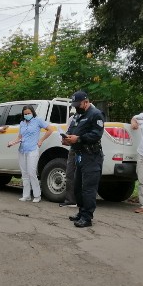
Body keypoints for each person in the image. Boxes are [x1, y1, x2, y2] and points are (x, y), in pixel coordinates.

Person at [61, 91, 105, 228]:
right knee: (77, 187)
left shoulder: (96, 114)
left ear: (86, 102)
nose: (76, 107)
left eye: (78, 104)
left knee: (88, 188)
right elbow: (71, 130)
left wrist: (78, 139)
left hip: (91, 156)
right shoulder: (77, 115)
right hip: (79, 155)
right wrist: (67, 139)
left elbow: (96, 135)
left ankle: (87, 217)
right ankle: (81, 212)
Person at [7, 105, 53, 203]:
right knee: (24, 173)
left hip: (32, 149)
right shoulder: (22, 123)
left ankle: (37, 195)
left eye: (29, 113)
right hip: (22, 150)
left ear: (32, 112)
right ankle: (26, 195)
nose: (27, 115)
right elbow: (19, 137)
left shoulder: (38, 120)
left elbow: (50, 130)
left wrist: (41, 140)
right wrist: (12, 142)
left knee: (32, 172)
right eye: (25, 114)